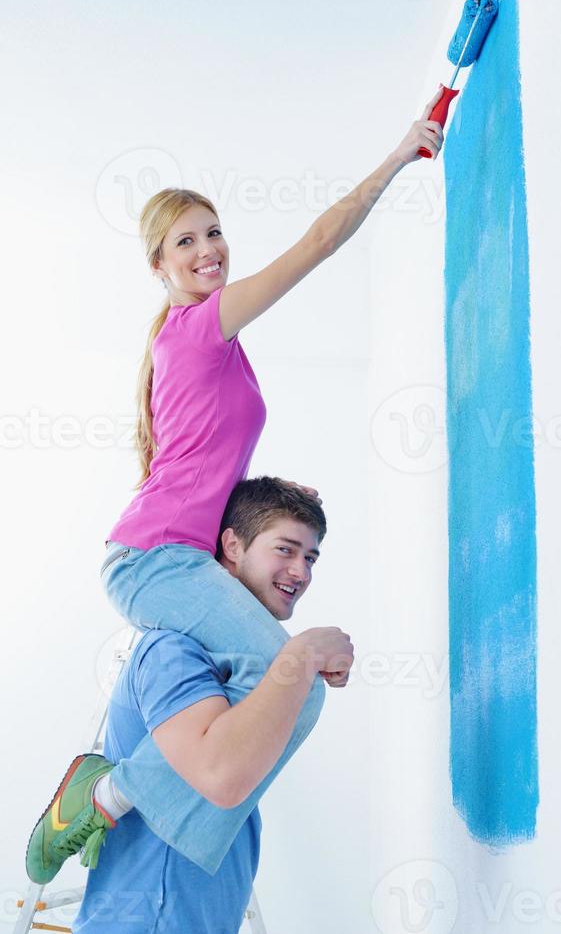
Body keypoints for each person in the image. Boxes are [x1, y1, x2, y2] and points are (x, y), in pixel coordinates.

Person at [25, 88, 446, 883]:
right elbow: (321, 241)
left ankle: (124, 798)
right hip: (156, 562)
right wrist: (397, 157)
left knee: (289, 692)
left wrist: (272, 490)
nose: (208, 249)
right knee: (294, 688)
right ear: (159, 267)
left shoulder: (201, 343)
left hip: (164, 556)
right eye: (184, 241)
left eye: (214, 231)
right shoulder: (203, 324)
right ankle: (107, 795)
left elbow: (198, 461)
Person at [67, 477, 351, 933]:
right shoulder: (174, 651)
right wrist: (302, 656)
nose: (302, 572)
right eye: (285, 549)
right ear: (232, 546)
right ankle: (102, 796)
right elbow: (219, 774)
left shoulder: (243, 671)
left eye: (310, 557)